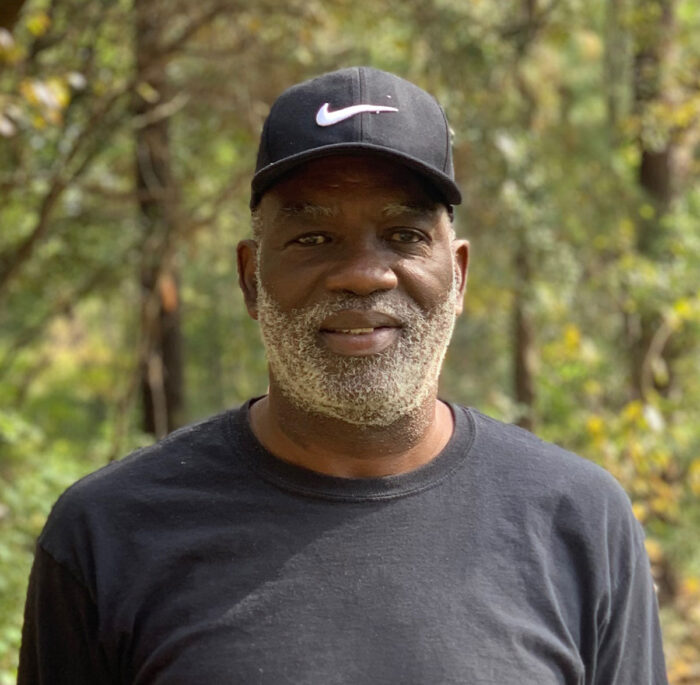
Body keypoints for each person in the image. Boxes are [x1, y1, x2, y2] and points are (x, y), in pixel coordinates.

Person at [19, 66, 668, 684]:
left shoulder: (581, 523)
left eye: (405, 234)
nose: (364, 272)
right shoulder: (110, 533)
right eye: (313, 238)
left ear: (460, 275)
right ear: (250, 279)